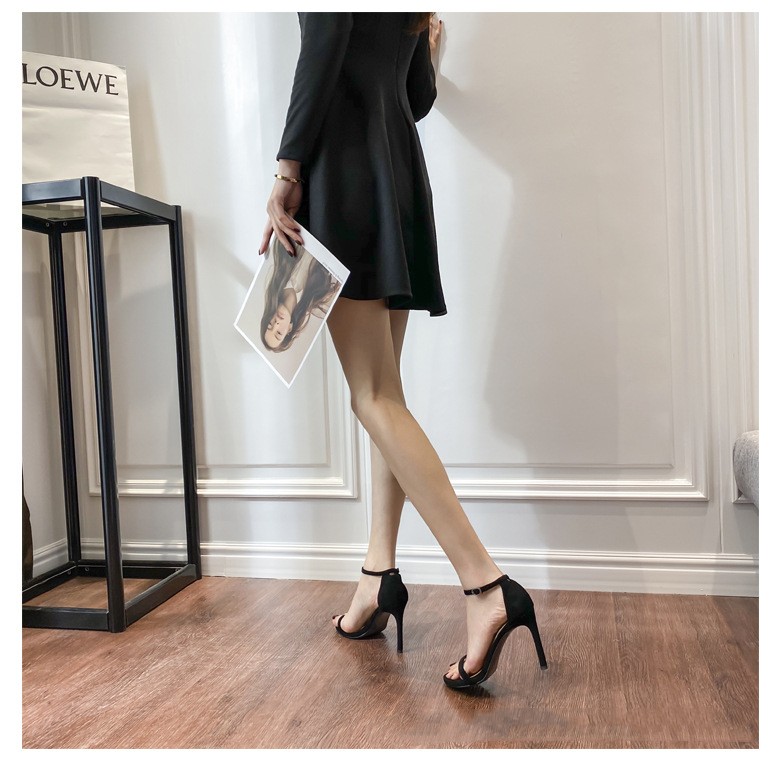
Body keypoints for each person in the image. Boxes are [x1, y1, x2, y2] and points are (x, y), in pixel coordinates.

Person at [259, 11, 547, 689]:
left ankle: (486, 586)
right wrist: (427, 47)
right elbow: (414, 99)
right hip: (395, 174)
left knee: (373, 397)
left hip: (343, 173)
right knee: (386, 394)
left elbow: (323, 45)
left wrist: (287, 168)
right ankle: (377, 576)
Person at [262, 237, 339, 352]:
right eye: (279, 333)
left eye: (270, 324)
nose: (276, 323)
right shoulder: (319, 303)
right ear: (289, 329)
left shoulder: (278, 267)